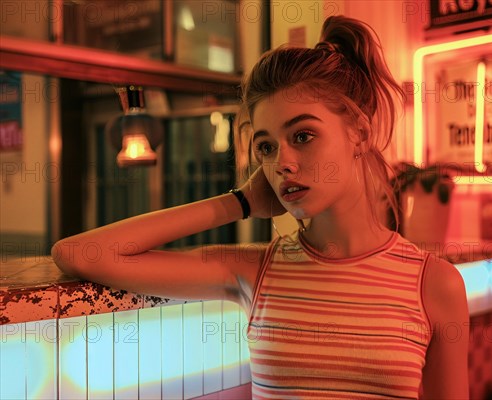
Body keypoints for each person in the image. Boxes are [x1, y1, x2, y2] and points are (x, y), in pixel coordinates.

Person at [52, 15, 469, 399]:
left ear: (358, 132)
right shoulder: (256, 272)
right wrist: (241, 201)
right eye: (266, 147)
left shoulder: (433, 283)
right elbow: (78, 253)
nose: (281, 163)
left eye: (302, 136)